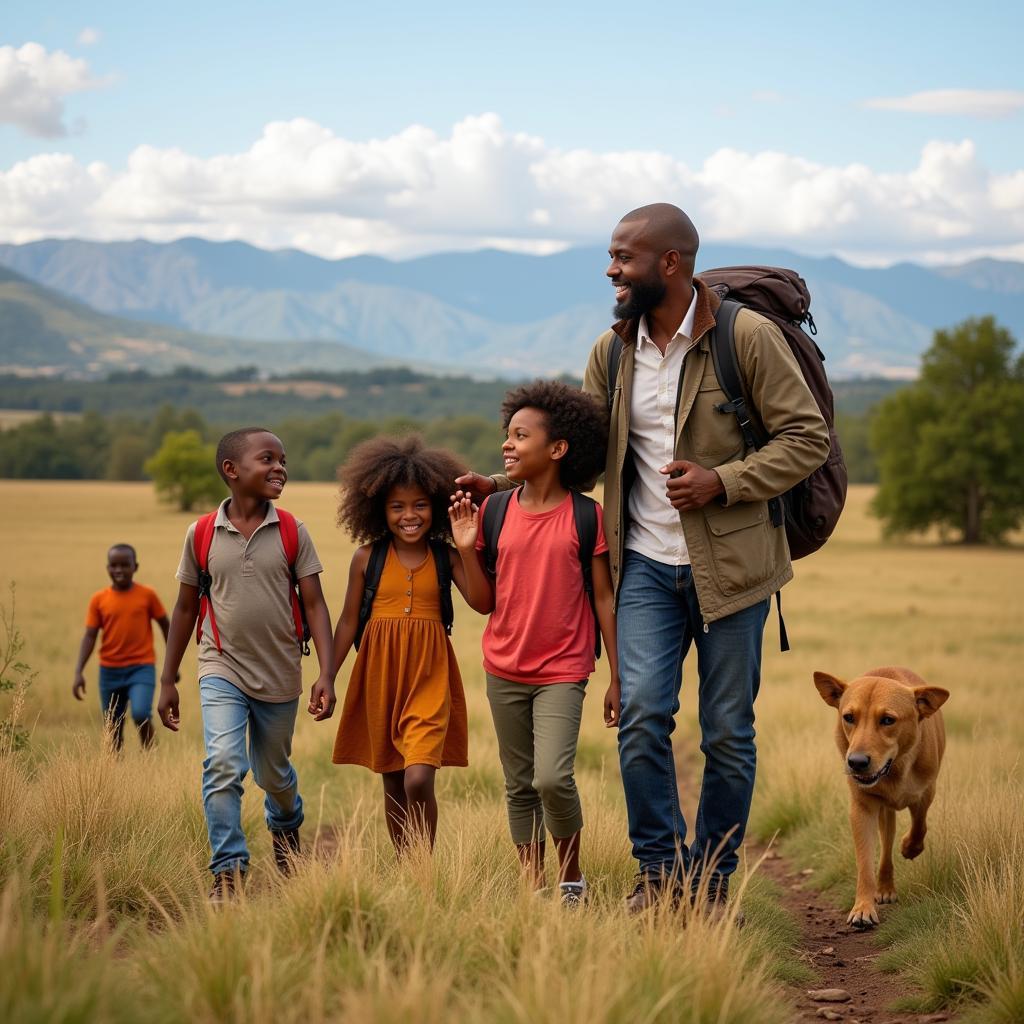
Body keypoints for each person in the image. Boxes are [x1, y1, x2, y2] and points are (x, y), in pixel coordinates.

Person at [456, 204, 830, 915]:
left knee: (726, 731)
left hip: (736, 573)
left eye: (623, 257)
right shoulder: (613, 351)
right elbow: (582, 456)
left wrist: (724, 481)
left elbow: (805, 438)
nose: (611, 270)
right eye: (611, 256)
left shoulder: (743, 340)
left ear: (671, 262)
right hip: (644, 572)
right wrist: (500, 484)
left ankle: (713, 879)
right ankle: (658, 873)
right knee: (641, 719)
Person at [450, 380, 618, 909]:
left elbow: (604, 601)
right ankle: (533, 886)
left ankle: (570, 882)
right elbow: (482, 603)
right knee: (519, 783)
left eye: (521, 435)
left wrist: (617, 676)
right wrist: (465, 549)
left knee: (551, 777)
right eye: (507, 434)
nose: (508, 444)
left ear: (558, 449)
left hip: (563, 670)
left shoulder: (586, 515)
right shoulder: (496, 511)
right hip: (503, 667)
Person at [157, 427, 336, 900]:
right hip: (221, 667)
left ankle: (286, 825)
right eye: (268, 459)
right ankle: (228, 870)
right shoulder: (200, 534)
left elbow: (315, 605)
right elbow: (184, 608)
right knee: (222, 763)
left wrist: (327, 672)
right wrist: (168, 678)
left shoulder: (294, 531)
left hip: (280, 674)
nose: (280, 467)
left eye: (283, 460)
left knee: (273, 775)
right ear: (231, 471)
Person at [330, 435, 470, 855]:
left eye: (420, 505)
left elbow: (484, 602)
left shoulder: (446, 557)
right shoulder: (366, 558)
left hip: (429, 675)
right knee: (392, 775)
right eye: (397, 507)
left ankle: (424, 862)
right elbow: (349, 620)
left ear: (437, 506)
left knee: (418, 777)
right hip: (379, 675)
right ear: (378, 510)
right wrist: (325, 677)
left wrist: (467, 548)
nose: (410, 515)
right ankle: (406, 865)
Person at [72, 544, 170, 751]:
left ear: (135, 566)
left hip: (141, 668)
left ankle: (151, 758)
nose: (119, 570)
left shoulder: (147, 595)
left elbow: (165, 624)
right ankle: (114, 770)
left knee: (142, 713)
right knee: (112, 726)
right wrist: (79, 671)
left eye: (125, 565)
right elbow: (90, 635)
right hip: (109, 671)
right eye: (114, 565)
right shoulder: (99, 599)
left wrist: (172, 664)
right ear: (107, 568)